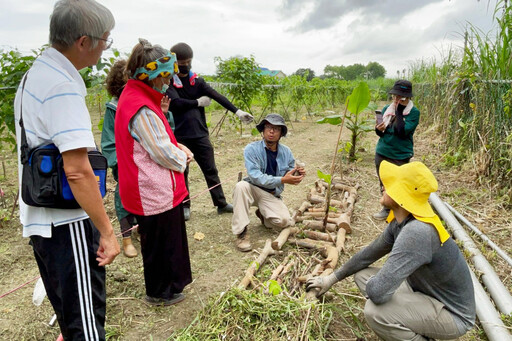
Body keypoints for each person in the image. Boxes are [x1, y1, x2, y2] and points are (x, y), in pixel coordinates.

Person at [13, 1, 120, 339]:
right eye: (106, 39)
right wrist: (106, 231)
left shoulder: (36, 74)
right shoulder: (62, 85)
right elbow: (77, 170)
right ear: (84, 41)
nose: (106, 48)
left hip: (41, 219)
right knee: (86, 330)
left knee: (71, 321)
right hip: (66, 223)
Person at [306, 161, 475, 341]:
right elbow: (367, 255)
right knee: (362, 274)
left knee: (375, 312)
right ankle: (411, 321)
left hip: (452, 314)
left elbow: (378, 293)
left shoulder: (417, 232)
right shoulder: (401, 222)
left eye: (391, 185)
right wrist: (330, 279)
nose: (383, 187)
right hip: (423, 291)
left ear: (402, 195)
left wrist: (382, 283)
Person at [115, 38, 194, 306]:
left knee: (165, 239)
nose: (168, 82)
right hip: (151, 186)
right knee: (161, 242)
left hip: (152, 184)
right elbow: (160, 151)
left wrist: (176, 147)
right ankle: (160, 293)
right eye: (164, 76)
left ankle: (169, 287)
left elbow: (157, 141)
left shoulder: (135, 96)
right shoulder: (142, 107)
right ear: (151, 75)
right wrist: (181, 157)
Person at [166, 42, 254, 221]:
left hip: (200, 135)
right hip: (179, 137)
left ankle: (220, 204)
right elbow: (175, 104)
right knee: (182, 172)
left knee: (211, 170)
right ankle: (185, 205)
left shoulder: (196, 81)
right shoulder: (169, 83)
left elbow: (216, 96)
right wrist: (198, 102)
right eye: (182, 62)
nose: (186, 65)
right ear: (174, 62)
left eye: (188, 61)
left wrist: (238, 112)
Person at [231, 113, 305, 252]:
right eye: (268, 127)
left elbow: (289, 172)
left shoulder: (286, 152)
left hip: (271, 194)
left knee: (284, 222)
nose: (271, 131)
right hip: (252, 189)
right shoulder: (251, 149)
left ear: (281, 133)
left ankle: (263, 215)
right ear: (263, 130)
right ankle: (241, 233)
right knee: (240, 186)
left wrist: (297, 175)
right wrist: (283, 180)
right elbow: (255, 176)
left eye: (276, 129)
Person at [101, 59, 139, 258]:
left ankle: (141, 228)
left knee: (144, 197)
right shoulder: (113, 109)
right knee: (123, 197)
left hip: (143, 164)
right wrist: (122, 162)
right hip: (125, 165)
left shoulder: (139, 103)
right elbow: (108, 144)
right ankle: (126, 238)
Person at [373, 80, 420, 220]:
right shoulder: (387, 109)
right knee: (384, 182)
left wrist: (399, 111)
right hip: (383, 151)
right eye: (394, 96)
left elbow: (402, 132)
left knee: (399, 182)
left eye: (400, 97)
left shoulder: (413, 113)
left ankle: (400, 209)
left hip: (400, 154)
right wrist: (378, 129)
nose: (396, 99)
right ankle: (387, 208)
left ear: (408, 97)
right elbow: (381, 133)